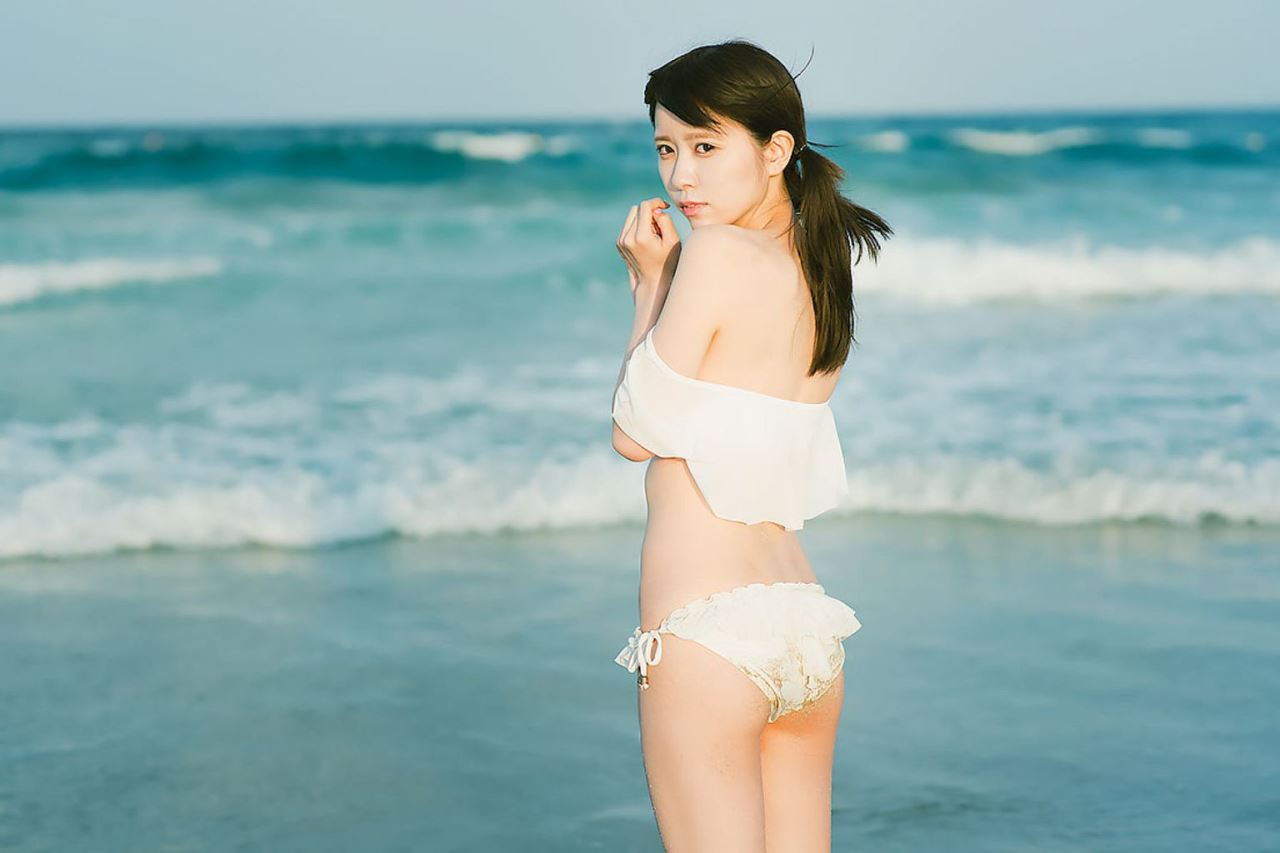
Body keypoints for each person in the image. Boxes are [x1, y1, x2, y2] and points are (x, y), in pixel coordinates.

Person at [609, 39, 893, 851]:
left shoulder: (716, 254)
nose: (680, 176)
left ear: (775, 150)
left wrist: (648, 286)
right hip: (804, 624)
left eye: (705, 146)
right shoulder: (821, 264)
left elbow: (633, 432)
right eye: (666, 149)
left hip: (709, 633)